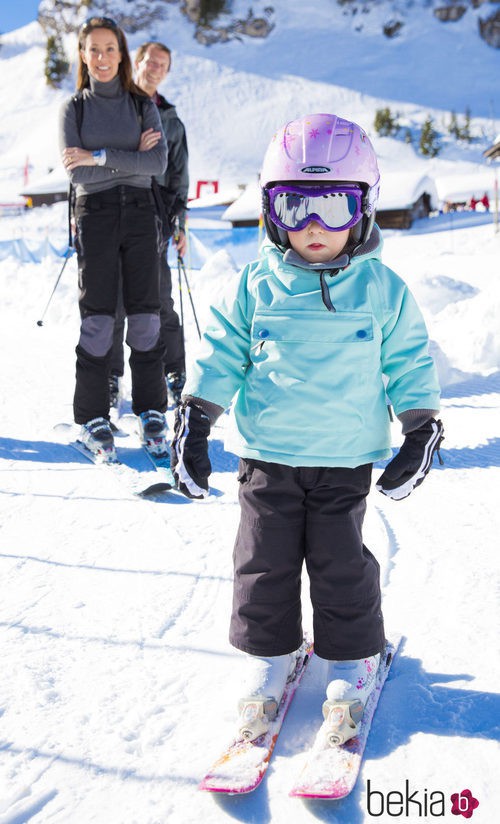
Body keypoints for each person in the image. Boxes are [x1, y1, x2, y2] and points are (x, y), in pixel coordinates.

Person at [170, 113, 444, 744]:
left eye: (334, 204)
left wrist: (420, 427)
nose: (314, 226)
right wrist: (197, 417)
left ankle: (351, 661)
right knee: (261, 566)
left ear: (365, 208)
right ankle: (271, 660)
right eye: (295, 206)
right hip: (267, 456)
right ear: (271, 211)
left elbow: (408, 360)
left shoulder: (381, 287)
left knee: (339, 563)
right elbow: (222, 352)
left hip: (345, 459)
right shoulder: (254, 284)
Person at [59, 17, 168, 459]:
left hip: (142, 215)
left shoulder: (142, 104)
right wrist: (129, 160)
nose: (102, 57)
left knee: (146, 317)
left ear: (122, 54)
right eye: (94, 50)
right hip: (97, 215)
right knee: (99, 319)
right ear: (83, 56)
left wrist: (100, 155)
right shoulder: (75, 109)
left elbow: (158, 162)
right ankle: (91, 418)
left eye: (110, 49)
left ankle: (151, 411)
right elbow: (75, 169)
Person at [109, 40, 189, 409]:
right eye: (150, 61)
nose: (155, 68)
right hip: (112, 211)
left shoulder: (171, 120)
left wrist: (179, 223)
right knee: (112, 302)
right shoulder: (113, 106)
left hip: (155, 219)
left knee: (159, 301)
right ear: (136, 63)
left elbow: (179, 176)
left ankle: (174, 373)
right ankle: (110, 377)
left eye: (163, 64)